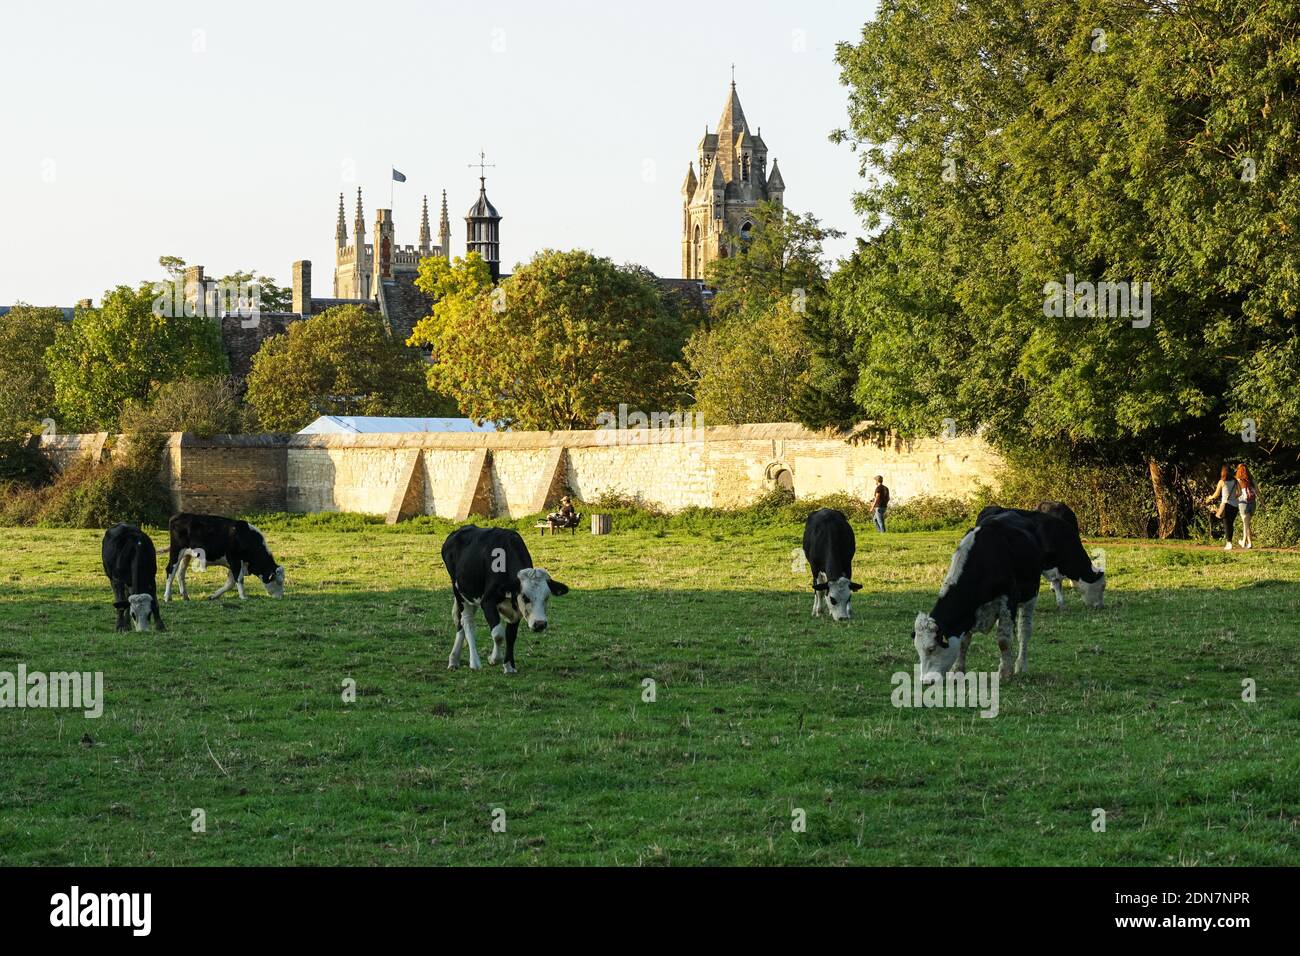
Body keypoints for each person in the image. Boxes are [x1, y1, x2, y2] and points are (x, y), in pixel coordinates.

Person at [1203, 465, 1240, 550]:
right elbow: (1240, 493)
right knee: (1231, 524)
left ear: (1223, 472)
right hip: (1235, 506)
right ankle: (1229, 542)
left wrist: (1210, 498)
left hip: (1226, 505)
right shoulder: (1235, 481)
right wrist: (1234, 497)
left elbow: (1216, 494)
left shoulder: (1221, 482)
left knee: (1227, 524)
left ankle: (1229, 543)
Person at [1235, 463, 1257, 550]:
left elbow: (1237, 493)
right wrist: (1263, 504)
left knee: (1246, 524)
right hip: (1253, 503)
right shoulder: (1252, 480)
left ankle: (1250, 543)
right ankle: (1243, 542)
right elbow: (1258, 492)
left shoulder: (1238, 480)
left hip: (1243, 503)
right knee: (1246, 523)